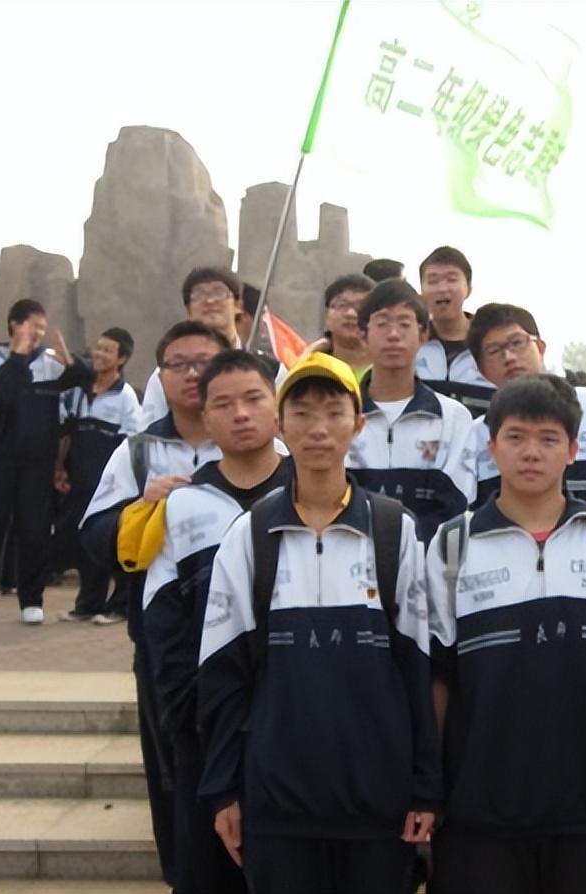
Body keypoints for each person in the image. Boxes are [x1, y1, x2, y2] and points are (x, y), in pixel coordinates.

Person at [198, 352, 439, 894]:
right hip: (276, 803)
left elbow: (418, 668)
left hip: (378, 801)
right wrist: (223, 790)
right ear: (280, 427)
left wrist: (425, 786)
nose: (318, 429)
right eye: (302, 413)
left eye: (334, 412)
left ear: (358, 424)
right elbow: (221, 677)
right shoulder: (249, 535)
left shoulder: (394, 531)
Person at [426, 373, 586, 894]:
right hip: (481, 807)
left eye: (549, 438)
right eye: (516, 437)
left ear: (573, 450)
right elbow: (438, 675)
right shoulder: (452, 545)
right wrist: (431, 783)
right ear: (491, 448)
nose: (531, 452)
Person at [79, 320, 231, 888]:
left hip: (247, 635)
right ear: (160, 376)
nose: (192, 375)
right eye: (178, 365)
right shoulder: (138, 451)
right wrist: (140, 508)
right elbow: (93, 538)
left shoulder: (262, 445)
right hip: (165, 641)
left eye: (204, 362)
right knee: (173, 768)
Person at [144, 350, 290, 894]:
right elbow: (164, 625)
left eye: (254, 399)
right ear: (204, 418)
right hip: (209, 729)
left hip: (303, 722)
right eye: (223, 404)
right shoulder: (182, 506)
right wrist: (194, 714)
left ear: (278, 410)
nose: (241, 414)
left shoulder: (317, 497)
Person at [464, 303, 586, 544]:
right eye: (494, 350)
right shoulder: (479, 434)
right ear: (481, 369)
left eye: (517, 343)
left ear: (540, 347)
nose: (509, 357)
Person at [0, 299, 91, 627]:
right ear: (15, 325)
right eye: (33, 327)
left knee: (34, 530)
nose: (39, 335)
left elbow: (86, 379)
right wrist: (18, 354)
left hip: (37, 462)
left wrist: (71, 363)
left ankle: (31, 599)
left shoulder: (49, 360)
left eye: (43, 329)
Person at [348, 279, 476, 543]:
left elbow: (457, 504)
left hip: (430, 557)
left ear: (424, 335)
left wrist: (410, 548)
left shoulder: (453, 417)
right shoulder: (342, 415)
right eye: (382, 324)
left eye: (405, 324)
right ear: (362, 335)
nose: (394, 334)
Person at [56, 328, 144, 622]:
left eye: (108, 350)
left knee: (114, 540)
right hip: (80, 480)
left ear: (122, 359)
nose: (99, 354)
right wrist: (60, 468)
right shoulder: (78, 392)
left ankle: (120, 605)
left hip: (111, 484)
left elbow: (132, 442)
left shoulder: (125, 396)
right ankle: (88, 604)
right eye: (98, 348)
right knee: (84, 539)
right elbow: (67, 434)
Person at [140, 267, 247, 425]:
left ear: (238, 305)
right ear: (188, 311)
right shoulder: (171, 372)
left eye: (219, 292)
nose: (210, 301)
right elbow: (149, 429)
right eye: (199, 294)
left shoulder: (270, 370)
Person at [414, 246, 495, 416]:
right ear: (421, 291)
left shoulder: (492, 343)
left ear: (469, 289)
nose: (442, 288)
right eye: (433, 281)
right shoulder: (410, 342)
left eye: (451, 280)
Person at [298, 273, 375, 379]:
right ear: (326, 316)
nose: (350, 313)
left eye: (361, 307)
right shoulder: (309, 370)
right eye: (342, 305)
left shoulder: (390, 370)